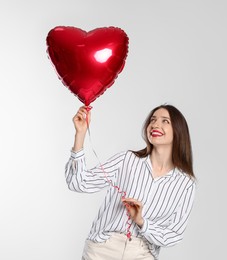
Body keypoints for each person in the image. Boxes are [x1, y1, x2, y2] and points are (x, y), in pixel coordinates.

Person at [65, 104, 196, 260]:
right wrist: (80, 135)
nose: (155, 124)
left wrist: (141, 222)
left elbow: (174, 235)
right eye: (153, 120)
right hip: (102, 250)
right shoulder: (126, 160)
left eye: (165, 121)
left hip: (142, 254)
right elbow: (78, 183)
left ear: (179, 131)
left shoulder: (186, 184)